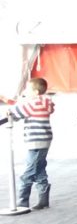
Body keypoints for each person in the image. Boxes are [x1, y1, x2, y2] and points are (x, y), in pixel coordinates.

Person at [4, 78, 54, 210]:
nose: (25, 92)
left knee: (28, 172)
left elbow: (16, 111)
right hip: (44, 140)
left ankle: (22, 201)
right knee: (40, 169)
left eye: (28, 89)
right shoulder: (46, 102)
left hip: (35, 142)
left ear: (36, 92)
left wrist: (11, 108)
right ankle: (43, 200)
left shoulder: (33, 104)